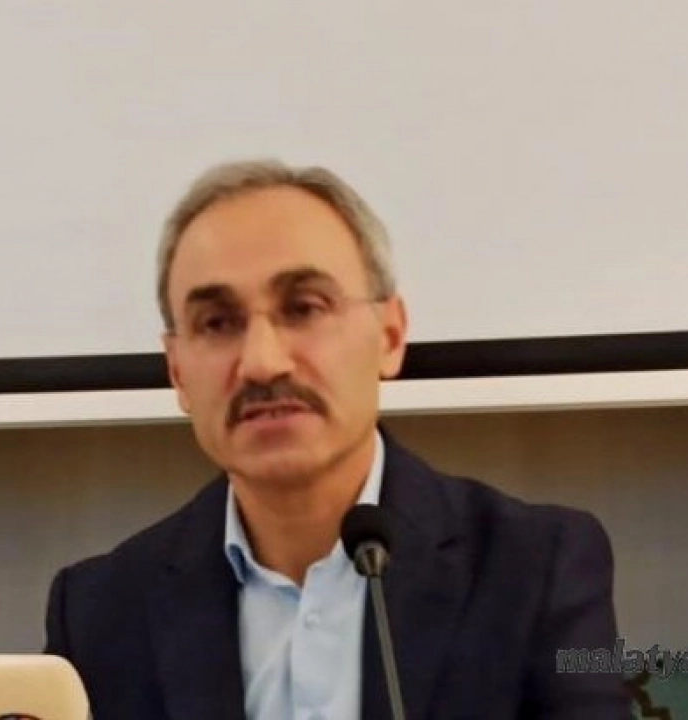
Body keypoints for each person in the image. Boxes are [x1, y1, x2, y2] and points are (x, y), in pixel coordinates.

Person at [43, 160, 629, 719]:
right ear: (177, 371)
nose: (262, 362)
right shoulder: (99, 611)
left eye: (304, 308)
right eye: (217, 323)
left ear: (390, 336)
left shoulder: (536, 566)